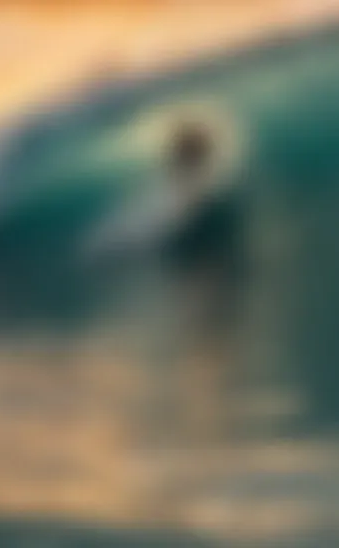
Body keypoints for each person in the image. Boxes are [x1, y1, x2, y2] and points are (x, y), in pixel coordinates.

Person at [84, 118, 248, 441]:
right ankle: (206, 353)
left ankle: (205, 351)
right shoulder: (177, 193)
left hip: (179, 255)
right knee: (203, 315)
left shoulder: (178, 189)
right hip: (175, 258)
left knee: (204, 316)